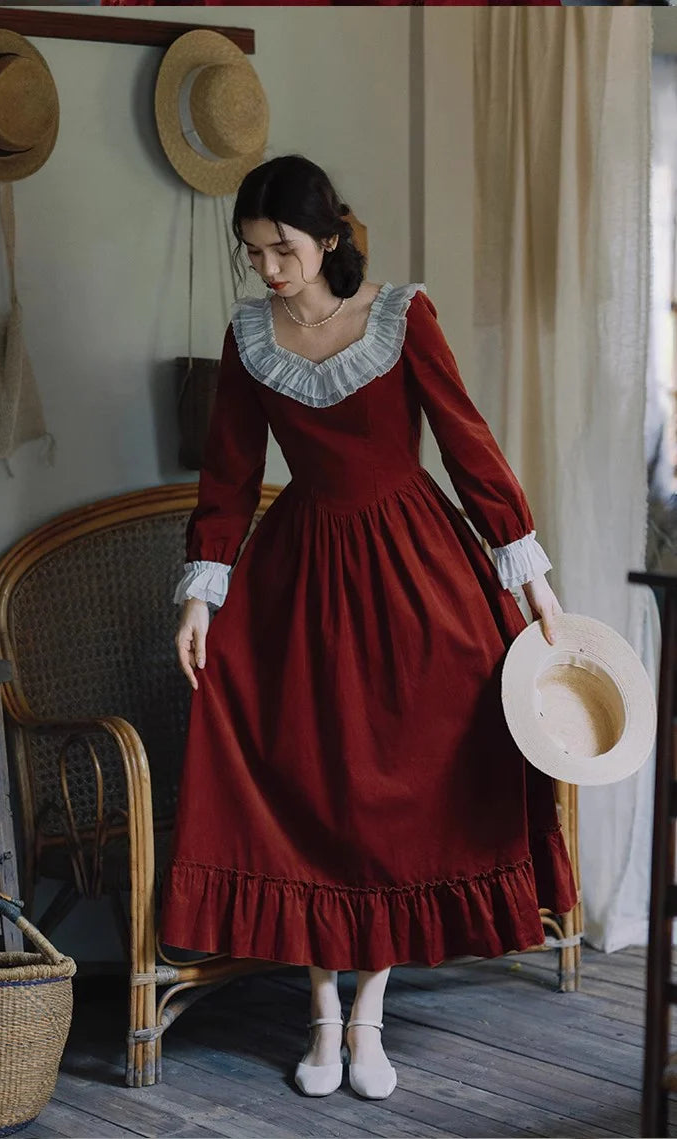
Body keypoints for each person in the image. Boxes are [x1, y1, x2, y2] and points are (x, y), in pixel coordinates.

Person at [161, 153, 577, 1101]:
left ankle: (368, 1015)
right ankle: (318, 1013)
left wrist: (532, 581)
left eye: (284, 248)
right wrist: (200, 596)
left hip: (414, 571)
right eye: (254, 252)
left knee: (404, 784)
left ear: (332, 237)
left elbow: (469, 444)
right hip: (298, 576)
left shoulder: (402, 316)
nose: (268, 268)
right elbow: (227, 475)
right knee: (315, 779)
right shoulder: (249, 335)